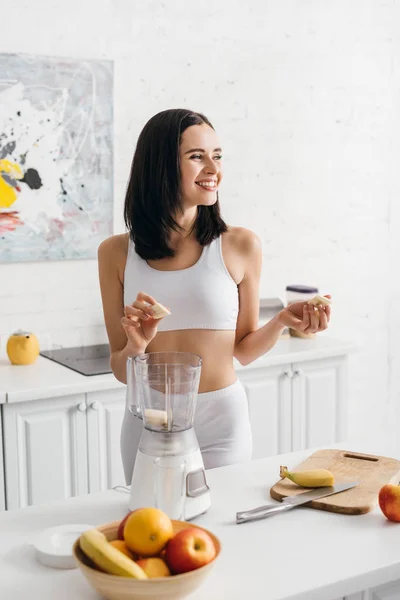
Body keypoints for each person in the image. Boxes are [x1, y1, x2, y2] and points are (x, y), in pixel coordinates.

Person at [98, 108, 331, 485]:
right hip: (149, 420)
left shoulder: (240, 245)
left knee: (224, 530)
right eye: (196, 156)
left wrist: (284, 320)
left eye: (217, 155)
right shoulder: (115, 253)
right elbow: (119, 368)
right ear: (159, 166)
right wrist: (137, 347)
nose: (213, 168)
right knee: (152, 529)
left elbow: (243, 350)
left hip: (223, 420)